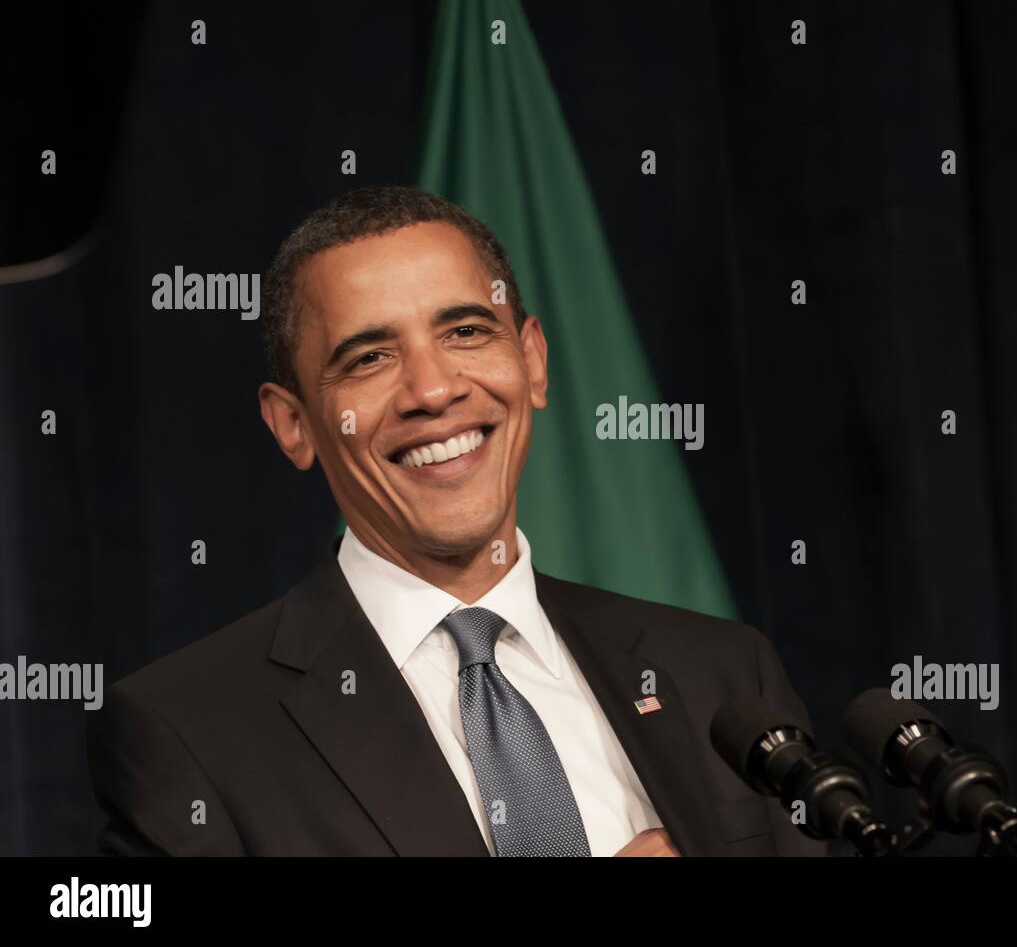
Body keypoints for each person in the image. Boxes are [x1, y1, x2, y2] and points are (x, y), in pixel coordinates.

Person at [86, 186, 824, 856]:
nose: (433, 390)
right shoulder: (191, 731)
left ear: (532, 361)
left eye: (467, 331)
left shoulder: (722, 672)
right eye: (370, 356)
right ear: (292, 425)